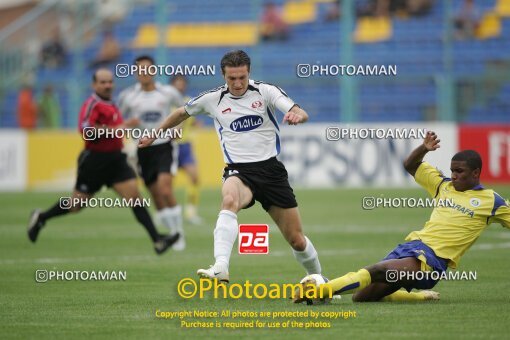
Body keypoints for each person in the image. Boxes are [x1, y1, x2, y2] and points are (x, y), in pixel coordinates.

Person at [139, 50, 323, 283]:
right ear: (223, 76)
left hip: (271, 172)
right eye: (231, 78)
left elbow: (297, 110)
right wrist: (155, 135)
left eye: (242, 78)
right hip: (239, 171)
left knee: (297, 239)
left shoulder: (266, 91)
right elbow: (180, 113)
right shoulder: (213, 99)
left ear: (249, 74)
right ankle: (220, 266)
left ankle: (317, 278)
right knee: (228, 201)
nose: (237, 83)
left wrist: (299, 116)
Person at [294, 131, 510, 303]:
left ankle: (321, 290)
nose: (453, 175)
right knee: (362, 297)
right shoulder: (443, 186)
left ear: (475, 173)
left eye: (460, 171)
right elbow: (410, 165)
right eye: (452, 170)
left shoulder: (491, 201)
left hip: (430, 263)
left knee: (377, 270)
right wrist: (423, 149)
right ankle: (418, 296)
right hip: (411, 247)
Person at [27, 68, 179, 255]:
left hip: (116, 160)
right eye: (103, 82)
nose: (108, 85)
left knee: (135, 199)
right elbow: (86, 130)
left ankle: (157, 240)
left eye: (110, 82)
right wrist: (117, 128)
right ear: (94, 85)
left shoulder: (112, 103)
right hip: (95, 161)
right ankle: (42, 217)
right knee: (76, 205)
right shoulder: (92, 104)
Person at [118, 56, 186, 250]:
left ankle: (178, 233)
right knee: (156, 195)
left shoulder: (168, 92)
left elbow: (183, 112)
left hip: (164, 145)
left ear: (154, 71)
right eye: (140, 69)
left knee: (165, 189)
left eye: (148, 69)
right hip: (142, 149)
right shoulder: (128, 96)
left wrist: (176, 130)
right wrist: (126, 129)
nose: (144, 73)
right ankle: (171, 233)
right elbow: (118, 120)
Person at [170, 75, 203, 225]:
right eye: (177, 84)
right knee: (166, 183)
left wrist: (196, 123)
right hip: (169, 146)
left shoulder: (189, 101)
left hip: (185, 146)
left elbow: (191, 120)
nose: (180, 86)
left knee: (194, 177)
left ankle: (190, 213)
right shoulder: (167, 102)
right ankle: (165, 212)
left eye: (182, 84)